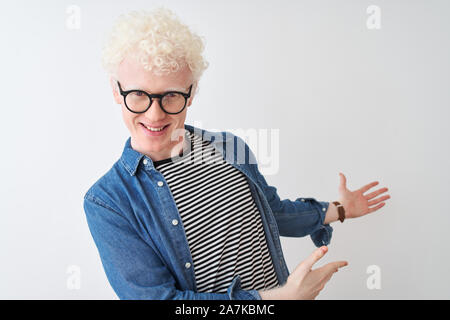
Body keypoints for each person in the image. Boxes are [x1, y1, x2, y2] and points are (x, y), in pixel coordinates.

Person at [83, 6, 391, 300]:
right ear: (116, 91)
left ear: (192, 93)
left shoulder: (229, 148)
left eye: (171, 95)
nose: (154, 114)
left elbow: (274, 213)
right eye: (138, 94)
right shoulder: (109, 202)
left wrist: (339, 209)